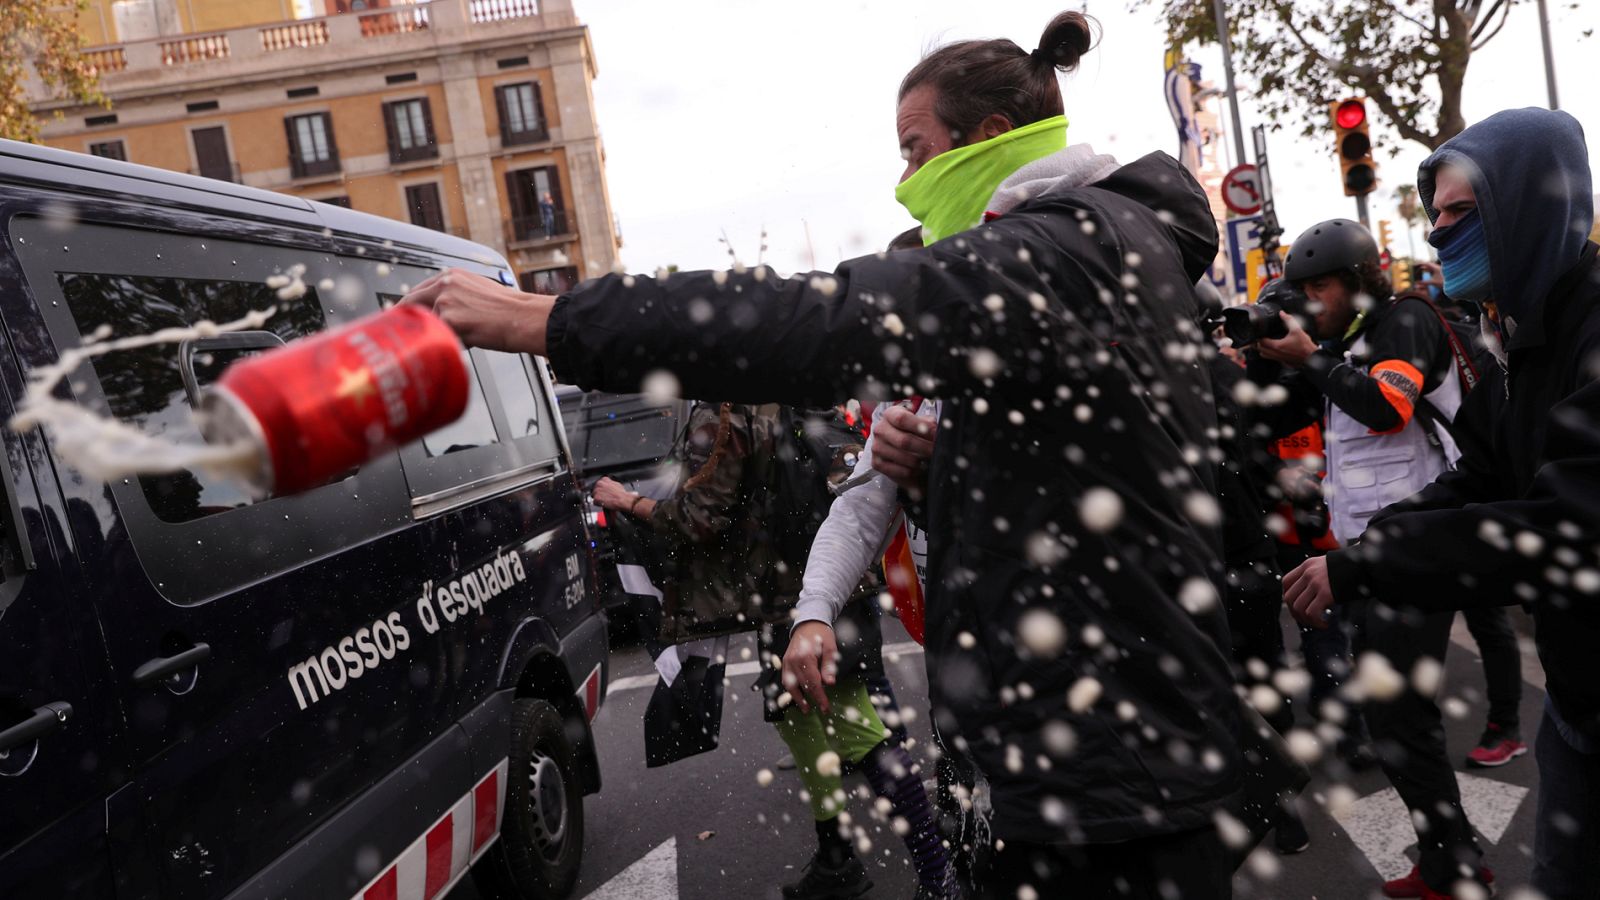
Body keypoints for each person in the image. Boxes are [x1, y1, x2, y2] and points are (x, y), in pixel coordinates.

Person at [405, 12, 1244, 896]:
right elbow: (1068, 473)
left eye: (916, 151)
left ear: (992, 138)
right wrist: (939, 466)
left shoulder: (1066, 250)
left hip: (1116, 784)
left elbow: (825, 316)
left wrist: (548, 319)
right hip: (1072, 755)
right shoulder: (1071, 255)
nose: (905, 184)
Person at [1283, 108, 1599, 900]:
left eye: (1461, 213)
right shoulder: (1525, 339)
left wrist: (1371, 562)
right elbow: (1485, 472)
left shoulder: (1581, 329)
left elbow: (1567, 526)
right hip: (1578, 698)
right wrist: (1370, 546)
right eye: (1434, 215)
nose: (1437, 235)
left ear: (1528, 205)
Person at [591, 400, 955, 900]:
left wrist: (628, 501)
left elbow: (699, 518)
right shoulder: (789, 387)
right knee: (795, 712)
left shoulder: (729, 410)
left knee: (856, 729)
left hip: (800, 598)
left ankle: (937, 874)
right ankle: (836, 855)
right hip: (820, 586)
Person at [1249, 218, 1498, 897]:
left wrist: (1309, 359)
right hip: (1377, 549)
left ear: (1360, 281)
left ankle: (1456, 868)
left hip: (1422, 541)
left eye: (1320, 286)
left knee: (1397, 715)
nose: (1310, 300)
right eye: (1300, 289)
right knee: (1398, 715)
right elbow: (1294, 426)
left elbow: (1389, 407)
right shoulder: (1348, 342)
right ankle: (1452, 860)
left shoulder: (1404, 322)